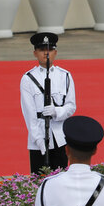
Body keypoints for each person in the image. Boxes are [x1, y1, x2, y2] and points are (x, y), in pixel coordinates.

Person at [21, 32, 77, 174]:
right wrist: (39, 140)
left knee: (61, 179)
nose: (46, 54)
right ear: (35, 53)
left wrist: (57, 112)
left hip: (60, 137)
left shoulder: (65, 76)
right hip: (38, 138)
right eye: (42, 50)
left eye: (50, 50)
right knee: (39, 182)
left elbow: (71, 106)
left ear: (55, 52)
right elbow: (29, 114)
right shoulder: (28, 78)